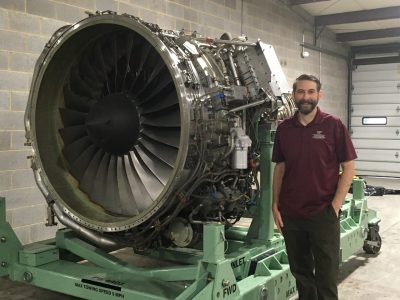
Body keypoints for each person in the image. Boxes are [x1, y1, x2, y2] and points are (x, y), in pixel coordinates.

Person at [271, 74, 357, 300]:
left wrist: (335, 206)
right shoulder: (284, 129)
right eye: (301, 92)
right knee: (301, 274)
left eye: (311, 92)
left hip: (323, 213)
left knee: (327, 276)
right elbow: (280, 166)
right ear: (294, 95)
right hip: (292, 214)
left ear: (320, 94)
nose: (305, 97)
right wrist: (275, 204)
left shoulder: (333, 125)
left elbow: (348, 166)